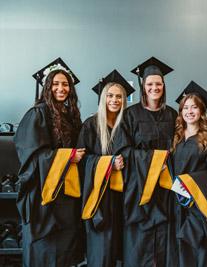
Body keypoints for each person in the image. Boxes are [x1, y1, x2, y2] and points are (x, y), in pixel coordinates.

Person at [14, 57, 85, 267]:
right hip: (43, 199)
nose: (61, 88)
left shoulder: (71, 117)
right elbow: (32, 156)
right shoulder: (38, 114)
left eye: (65, 84)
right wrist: (68, 156)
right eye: (55, 84)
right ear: (47, 87)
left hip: (67, 196)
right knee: (43, 252)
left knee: (64, 253)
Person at [122, 57, 178, 266]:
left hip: (165, 189)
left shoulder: (173, 115)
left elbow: (180, 148)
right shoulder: (130, 115)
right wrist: (154, 160)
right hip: (140, 188)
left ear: (164, 86)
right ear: (143, 87)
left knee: (164, 241)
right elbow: (124, 151)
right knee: (139, 244)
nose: (154, 88)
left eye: (158, 84)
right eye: (150, 84)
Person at [77, 70, 135, 267]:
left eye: (119, 96)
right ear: (103, 98)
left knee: (121, 250)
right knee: (101, 249)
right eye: (110, 96)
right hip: (99, 197)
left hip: (122, 195)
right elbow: (82, 161)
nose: (115, 100)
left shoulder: (126, 124)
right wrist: (108, 163)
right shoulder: (91, 125)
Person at [172, 81, 207, 267]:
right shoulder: (176, 137)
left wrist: (193, 185)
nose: (189, 111)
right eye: (186, 107)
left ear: (201, 111)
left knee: (202, 249)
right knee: (182, 250)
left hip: (200, 202)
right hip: (178, 201)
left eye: (194, 107)